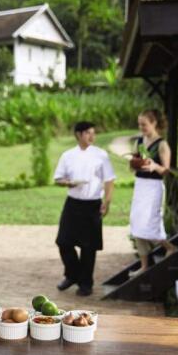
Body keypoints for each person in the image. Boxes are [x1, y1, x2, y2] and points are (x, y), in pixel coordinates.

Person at [54, 121, 116, 296]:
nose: (92, 136)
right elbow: (58, 179)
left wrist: (107, 201)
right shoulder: (67, 155)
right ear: (78, 135)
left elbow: (110, 180)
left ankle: (86, 284)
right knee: (63, 242)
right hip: (73, 203)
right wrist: (67, 183)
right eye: (88, 133)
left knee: (89, 247)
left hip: (93, 204)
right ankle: (72, 275)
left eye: (93, 133)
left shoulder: (101, 155)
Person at [128, 109, 174, 277]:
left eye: (144, 124)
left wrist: (155, 166)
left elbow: (166, 170)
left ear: (154, 123)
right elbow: (134, 164)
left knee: (151, 221)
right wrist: (133, 163)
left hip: (154, 187)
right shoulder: (139, 141)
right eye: (139, 124)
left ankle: (169, 248)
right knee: (136, 223)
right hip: (140, 185)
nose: (141, 128)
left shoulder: (162, 144)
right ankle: (144, 266)